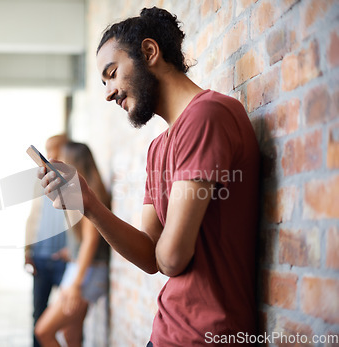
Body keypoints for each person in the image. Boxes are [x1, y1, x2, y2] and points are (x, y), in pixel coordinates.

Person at [38, 7, 260, 346]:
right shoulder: (159, 148)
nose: (109, 92)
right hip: (168, 331)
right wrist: (89, 204)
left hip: (209, 336)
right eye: (103, 82)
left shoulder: (207, 117)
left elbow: (171, 259)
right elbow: (150, 254)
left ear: (149, 52)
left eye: (112, 73)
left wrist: (163, 246)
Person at [35, 141, 111, 347]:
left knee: (43, 331)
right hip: (86, 268)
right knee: (71, 336)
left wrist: (76, 285)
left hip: (86, 274)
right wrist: (71, 251)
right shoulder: (91, 191)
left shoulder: (86, 195)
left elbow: (91, 239)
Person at [25, 134, 69, 347]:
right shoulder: (40, 183)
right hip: (40, 257)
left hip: (64, 260)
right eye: (48, 150)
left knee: (68, 319)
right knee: (38, 313)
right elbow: (32, 217)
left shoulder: (74, 182)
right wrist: (27, 251)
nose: (50, 155)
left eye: (56, 150)